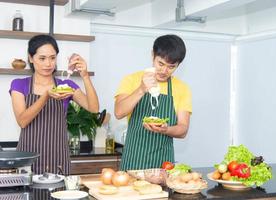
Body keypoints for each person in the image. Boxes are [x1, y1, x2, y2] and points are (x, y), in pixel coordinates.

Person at [9, 34, 99, 175]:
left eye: (52, 57)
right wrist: (46, 96)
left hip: (58, 159)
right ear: (31, 58)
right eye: (42, 58)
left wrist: (85, 76)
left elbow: (93, 108)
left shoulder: (66, 86)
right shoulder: (19, 85)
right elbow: (22, 121)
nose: (48, 64)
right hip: (28, 160)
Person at [114, 34, 192, 170]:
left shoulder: (182, 88)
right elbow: (119, 112)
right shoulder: (131, 79)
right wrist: (141, 89)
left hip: (163, 165)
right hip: (133, 162)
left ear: (178, 65)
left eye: (171, 67)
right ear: (152, 55)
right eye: (160, 63)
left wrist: (166, 129)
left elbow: (183, 129)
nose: (164, 71)